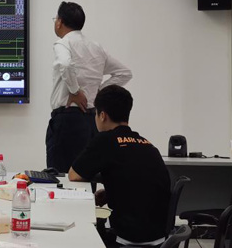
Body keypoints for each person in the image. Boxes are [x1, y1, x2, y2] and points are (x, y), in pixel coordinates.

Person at [68, 85, 171, 247]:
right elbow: (139, 181)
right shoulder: (146, 144)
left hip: (128, 240)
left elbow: (74, 175)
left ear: (102, 115)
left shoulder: (105, 140)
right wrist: (111, 191)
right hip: (160, 238)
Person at [47, 1, 132, 173]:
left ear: (59, 22)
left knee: (61, 175)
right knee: (87, 174)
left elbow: (65, 64)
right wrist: (99, 91)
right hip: (92, 121)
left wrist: (75, 91)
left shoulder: (63, 43)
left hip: (66, 120)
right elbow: (124, 73)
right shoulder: (96, 47)